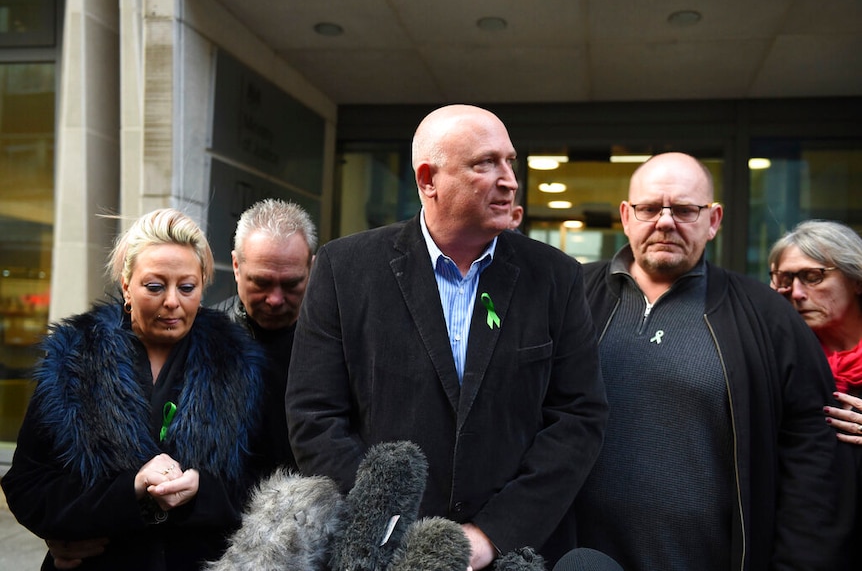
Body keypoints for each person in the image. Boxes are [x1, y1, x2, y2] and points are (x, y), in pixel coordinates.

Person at [285, 104, 608, 569]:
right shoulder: (345, 269)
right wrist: (395, 530)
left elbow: (579, 417)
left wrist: (490, 536)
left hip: (515, 553)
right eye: (485, 163)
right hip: (385, 555)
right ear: (428, 179)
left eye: (510, 162)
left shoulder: (555, 276)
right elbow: (314, 415)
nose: (509, 180)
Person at [577, 152, 850, 570]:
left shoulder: (767, 316)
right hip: (579, 560)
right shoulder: (569, 298)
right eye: (649, 208)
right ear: (627, 216)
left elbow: (813, 458)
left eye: (685, 209)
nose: (665, 222)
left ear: (714, 220)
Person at [1, 209, 266, 571]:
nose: (172, 301)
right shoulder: (75, 358)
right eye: (155, 286)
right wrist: (131, 489)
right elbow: (27, 483)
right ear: (126, 285)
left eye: (186, 287)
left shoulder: (239, 363)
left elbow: (265, 482)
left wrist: (202, 492)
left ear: (203, 285)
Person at [213, 198, 317, 475]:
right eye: (261, 282)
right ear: (236, 266)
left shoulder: (339, 343)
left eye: (291, 284)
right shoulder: (203, 338)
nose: (275, 299)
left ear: (312, 270)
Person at [768, 219, 862, 442]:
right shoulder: (779, 355)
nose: (797, 293)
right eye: (787, 279)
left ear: (856, 280)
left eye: (813, 277)